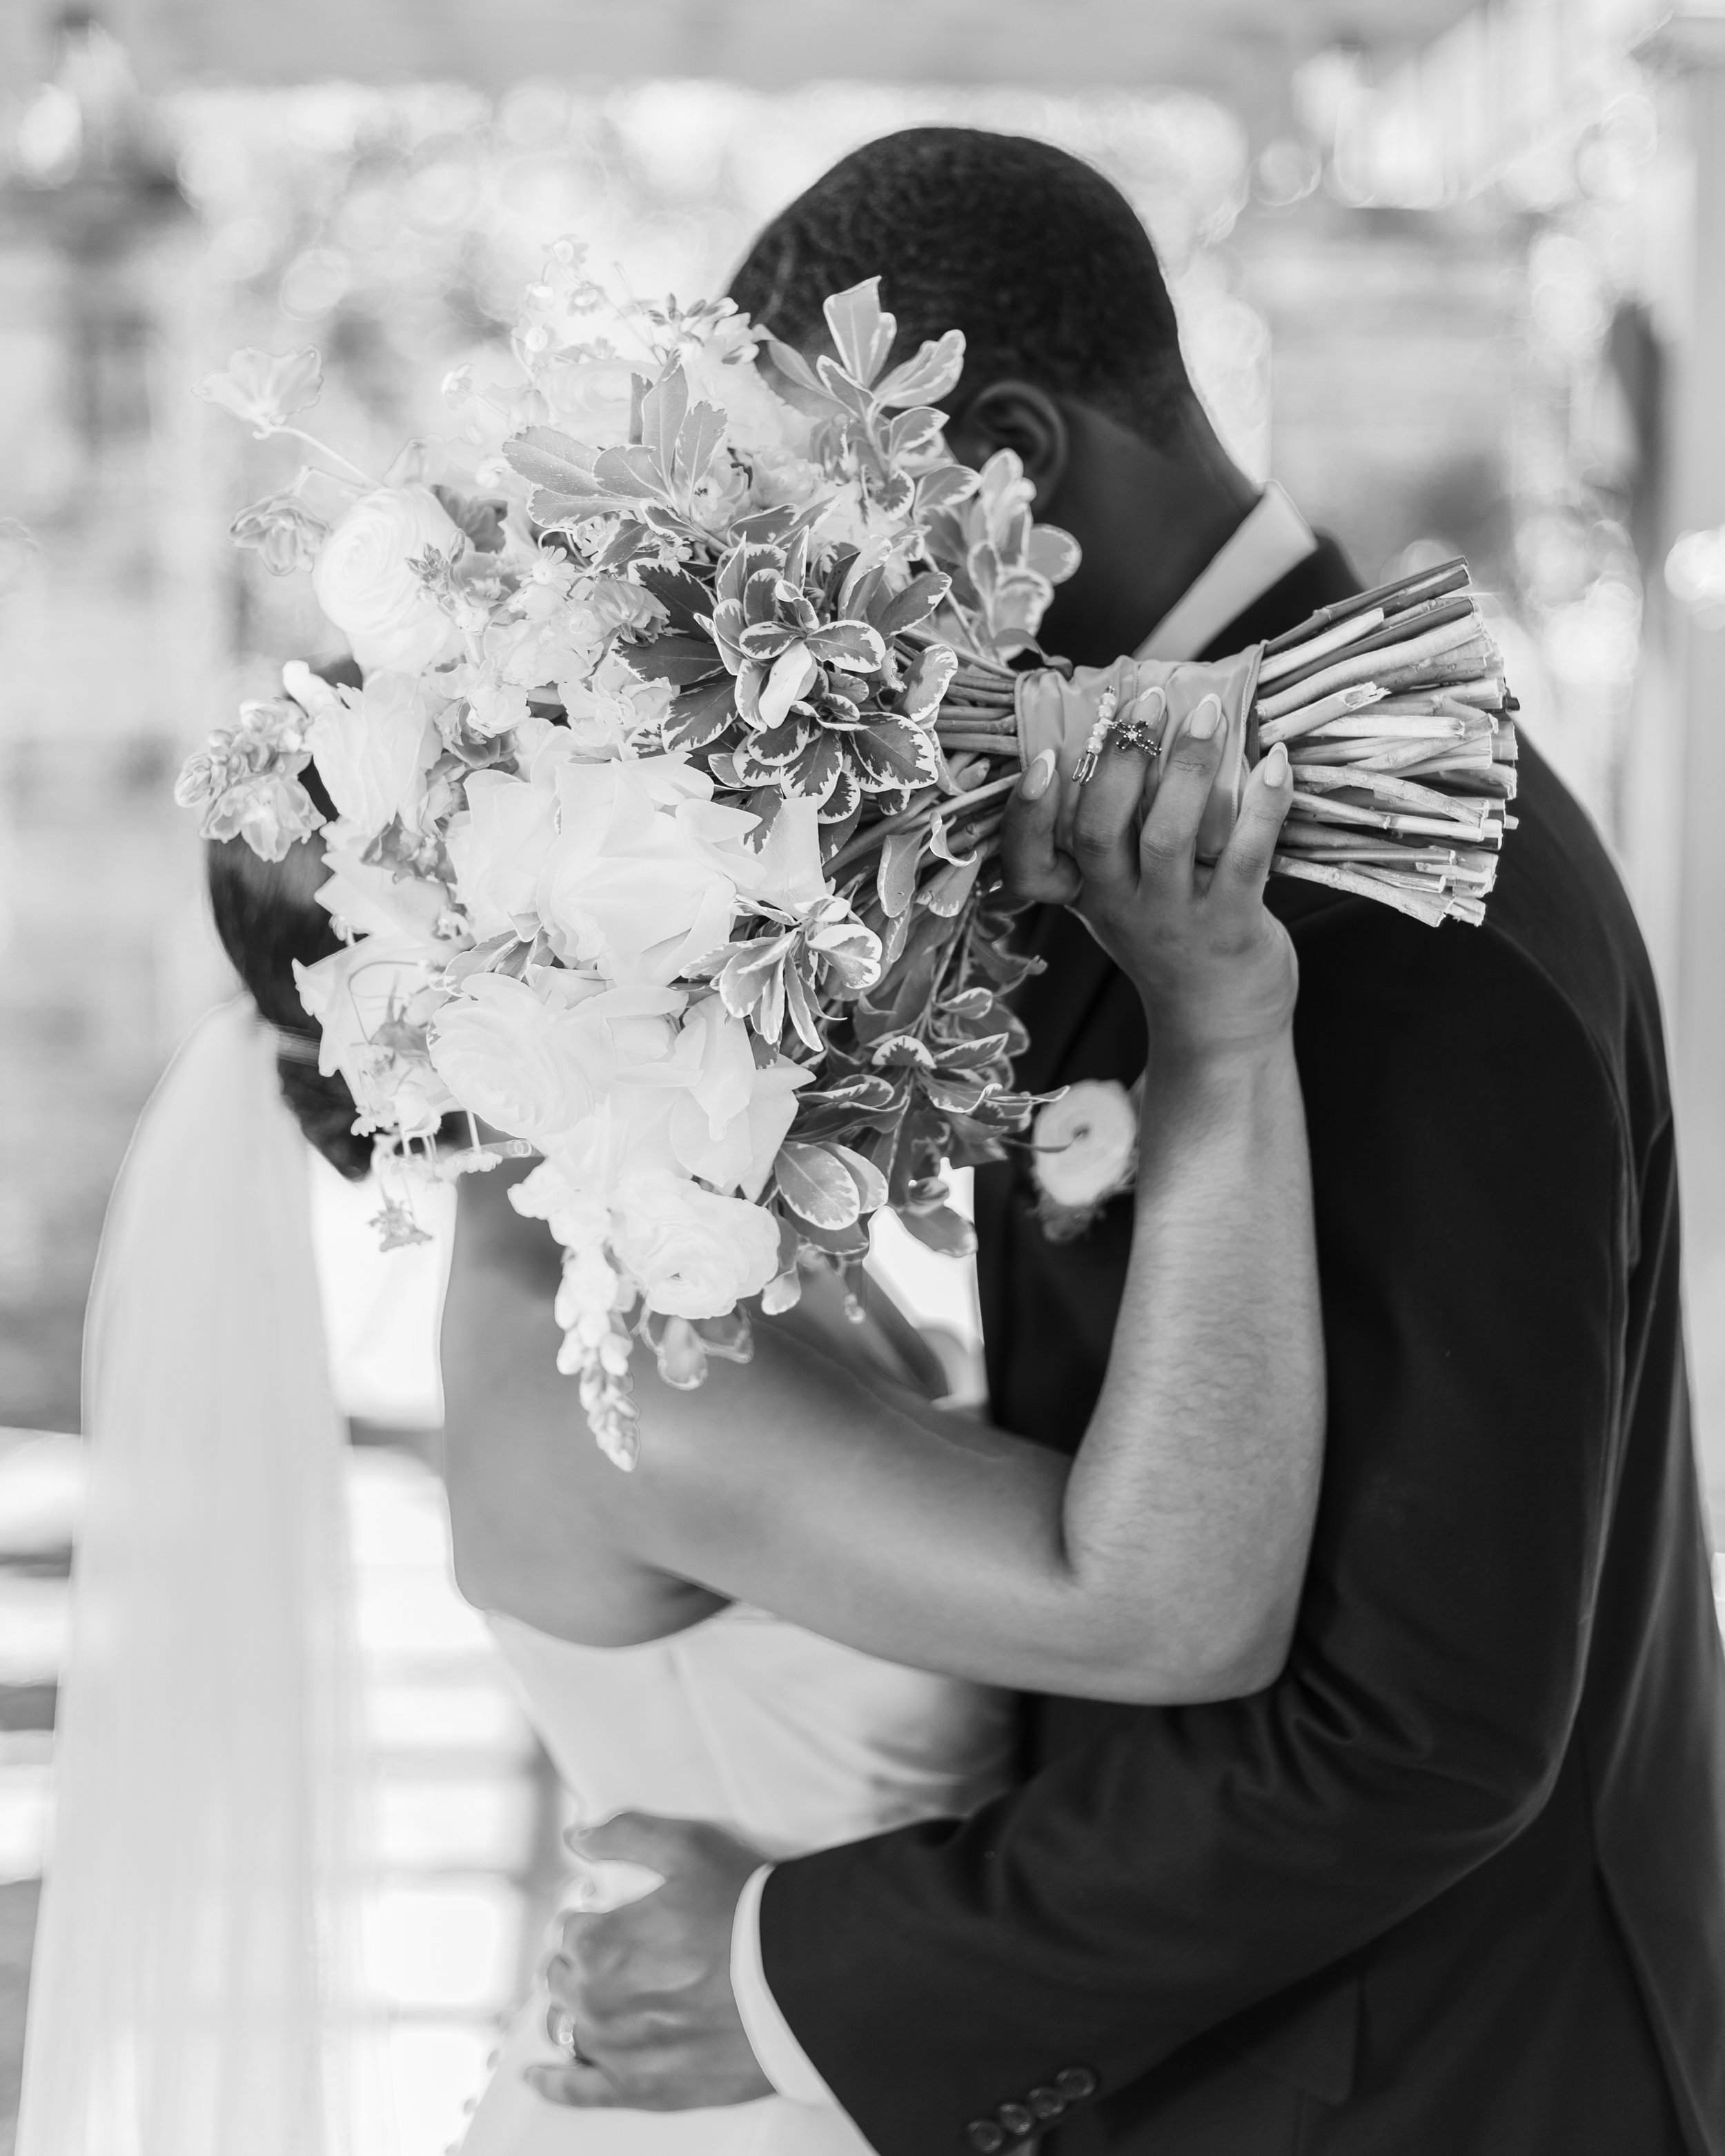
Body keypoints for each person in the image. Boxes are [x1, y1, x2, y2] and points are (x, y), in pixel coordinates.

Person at [538, 129, 1725, 2156]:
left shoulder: (1399, 900)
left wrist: (798, 1970)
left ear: (1000, 453)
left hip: (1422, 2083)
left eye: (827, 524)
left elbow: (1419, 1734)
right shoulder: (1162, 835)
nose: (817, 605)